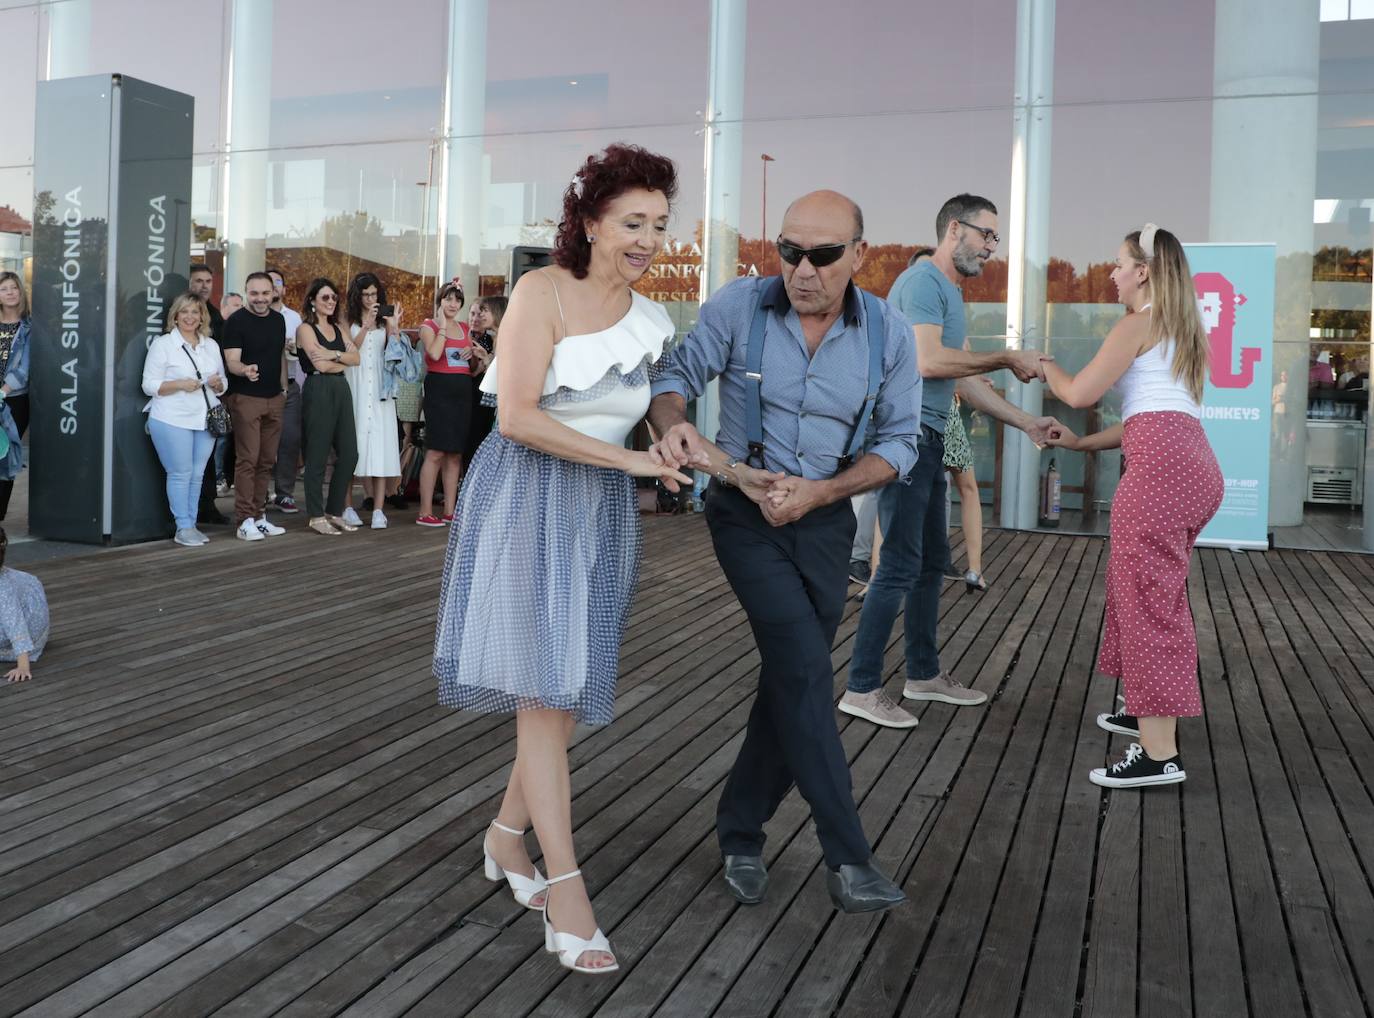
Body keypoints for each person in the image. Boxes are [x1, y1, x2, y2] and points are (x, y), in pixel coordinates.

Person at [435, 144, 690, 975]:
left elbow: (651, 410)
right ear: (589, 222)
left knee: (566, 693)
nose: (648, 237)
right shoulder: (541, 293)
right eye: (632, 222)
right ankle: (568, 894)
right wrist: (634, 465)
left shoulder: (649, 314)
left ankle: (507, 838)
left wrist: (694, 446)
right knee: (545, 695)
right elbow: (514, 417)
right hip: (530, 498)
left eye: (658, 223)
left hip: (598, 512)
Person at [649, 189, 920, 915]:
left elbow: (900, 442)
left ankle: (739, 832)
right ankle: (850, 858)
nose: (802, 269)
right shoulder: (738, 307)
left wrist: (823, 493)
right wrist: (676, 426)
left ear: (859, 255)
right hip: (742, 515)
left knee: (787, 682)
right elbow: (672, 379)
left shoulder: (890, 334)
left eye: (824, 255)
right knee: (803, 667)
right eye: (789, 250)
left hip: (826, 520)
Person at [841, 194, 1060, 731]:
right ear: (955, 230)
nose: (991, 248)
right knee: (897, 564)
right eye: (987, 235)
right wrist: (1008, 356)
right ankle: (862, 687)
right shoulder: (922, 283)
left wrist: (1026, 422)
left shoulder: (947, 292)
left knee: (931, 562)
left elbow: (956, 377)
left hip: (931, 436)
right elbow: (927, 360)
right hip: (907, 437)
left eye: (995, 239)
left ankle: (922, 674)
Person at [1043, 224, 1223, 788]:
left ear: (1143, 271)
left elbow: (1077, 394)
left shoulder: (1136, 324)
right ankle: (1149, 714)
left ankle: (1159, 755)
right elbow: (1146, 420)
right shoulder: (1180, 330)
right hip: (1192, 471)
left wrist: (1037, 362)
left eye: (1121, 264)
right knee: (1149, 597)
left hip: (1160, 480)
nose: (1113, 273)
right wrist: (1078, 443)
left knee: (1148, 606)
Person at [141, 292, 229, 547]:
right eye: (185, 312)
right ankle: (183, 526)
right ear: (175, 316)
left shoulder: (210, 345)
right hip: (172, 418)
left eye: (195, 311)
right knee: (180, 473)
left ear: (202, 316)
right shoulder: (163, 344)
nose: (190, 317)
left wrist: (218, 383)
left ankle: (191, 523)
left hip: (205, 419)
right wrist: (179, 384)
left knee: (197, 474)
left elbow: (224, 384)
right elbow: (148, 385)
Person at [221, 272, 289, 543]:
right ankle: (244, 520)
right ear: (246, 292)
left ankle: (259, 517)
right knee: (247, 460)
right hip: (246, 398)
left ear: (273, 292)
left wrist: (284, 388)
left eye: (264, 293)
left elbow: (280, 355)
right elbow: (231, 361)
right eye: (254, 293)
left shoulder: (279, 320)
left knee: (266, 461)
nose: (260, 299)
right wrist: (244, 370)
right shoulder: (236, 321)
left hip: (275, 398)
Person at [296, 277, 361, 535]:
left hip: (341, 388)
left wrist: (334, 355)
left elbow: (356, 358)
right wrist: (343, 360)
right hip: (319, 388)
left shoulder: (338, 329)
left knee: (350, 454)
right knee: (317, 455)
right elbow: (319, 366)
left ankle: (334, 511)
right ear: (312, 301)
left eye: (334, 298)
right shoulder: (305, 329)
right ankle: (315, 515)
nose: (331, 302)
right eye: (325, 297)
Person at [342, 272, 402, 529]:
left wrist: (394, 325)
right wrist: (366, 324)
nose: (369, 299)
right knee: (350, 447)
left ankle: (378, 508)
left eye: (373, 294)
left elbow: (394, 352)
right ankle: (346, 506)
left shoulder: (383, 318)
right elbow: (349, 349)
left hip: (379, 386)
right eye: (365, 294)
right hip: (354, 382)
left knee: (381, 446)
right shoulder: (347, 318)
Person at [416, 281, 473, 527]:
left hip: (462, 391)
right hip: (439, 390)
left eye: (457, 300)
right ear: (440, 301)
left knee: (455, 453)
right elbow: (435, 354)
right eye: (449, 299)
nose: (453, 304)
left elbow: (470, 368)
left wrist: (476, 358)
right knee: (436, 451)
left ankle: (450, 510)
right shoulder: (428, 326)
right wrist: (441, 327)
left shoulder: (465, 328)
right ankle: (425, 511)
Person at [182, 264, 230, 528]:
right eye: (198, 280)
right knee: (184, 464)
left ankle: (205, 506)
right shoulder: (182, 316)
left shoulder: (215, 317)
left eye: (208, 280)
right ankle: (186, 514)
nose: (204, 285)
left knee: (207, 459)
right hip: (182, 399)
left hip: (210, 397)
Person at [268, 268, 304, 514]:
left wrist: (294, 347)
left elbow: (303, 351)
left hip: (290, 384)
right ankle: (260, 494)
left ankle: (284, 493)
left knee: (290, 440)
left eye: (277, 282)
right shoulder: (252, 315)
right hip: (264, 386)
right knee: (261, 443)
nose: (273, 287)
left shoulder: (294, 317)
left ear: (283, 288)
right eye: (268, 283)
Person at [0, 272, 32, 521]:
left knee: (5, 456)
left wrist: (3, 391)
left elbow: (24, 368)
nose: (10, 292)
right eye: (4, 289)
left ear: (21, 293)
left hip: (14, 400)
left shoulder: (29, 327)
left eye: (14, 288)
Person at [0, 528, 48, 682]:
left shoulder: (3, 589)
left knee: (10, 613)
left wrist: (22, 666)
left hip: (29, 622)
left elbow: (15, 623)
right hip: (22, 586)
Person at [465, 296, 502, 462]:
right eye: (473, 313)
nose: (478, 317)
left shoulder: (498, 338)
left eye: (484, 312)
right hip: (470, 395)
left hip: (491, 400)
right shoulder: (461, 335)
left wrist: (486, 361)